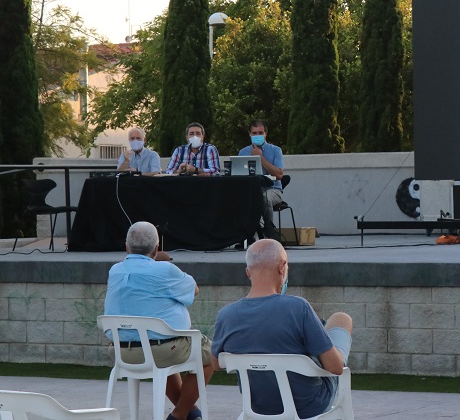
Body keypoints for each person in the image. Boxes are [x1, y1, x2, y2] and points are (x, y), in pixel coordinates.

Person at [211, 239, 352, 418]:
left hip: (258, 406)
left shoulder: (226, 315)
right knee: (342, 319)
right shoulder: (298, 308)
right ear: (282, 267)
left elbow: (217, 364)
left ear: (248, 272)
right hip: (309, 405)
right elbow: (335, 368)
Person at [104, 221, 213, 420]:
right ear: (156, 248)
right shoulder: (165, 270)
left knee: (165, 347)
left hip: (121, 353)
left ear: (126, 247)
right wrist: (164, 264)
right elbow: (194, 290)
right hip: (160, 351)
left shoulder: (115, 271)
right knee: (210, 354)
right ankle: (180, 415)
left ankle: (192, 413)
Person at [238, 119, 284, 242]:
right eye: (254, 133)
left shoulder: (275, 150)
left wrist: (260, 157)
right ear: (249, 134)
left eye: (260, 132)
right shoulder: (243, 152)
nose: (257, 135)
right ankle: (246, 235)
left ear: (266, 133)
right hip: (251, 191)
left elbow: (279, 174)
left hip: (273, 189)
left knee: (263, 197)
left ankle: (269, 229)